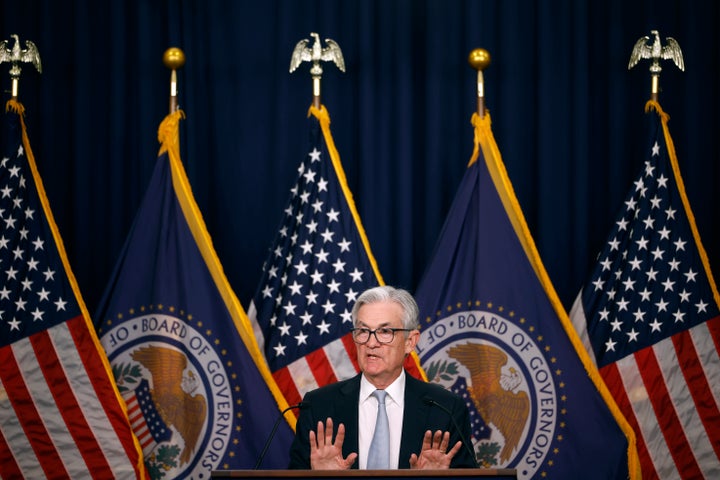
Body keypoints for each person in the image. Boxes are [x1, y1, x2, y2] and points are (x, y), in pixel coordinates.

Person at [288, 285, 476, 470]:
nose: (371, 343)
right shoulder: (318, 406)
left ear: (410, 342)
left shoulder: (445, 408)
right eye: (363, 331)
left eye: (385, 332)